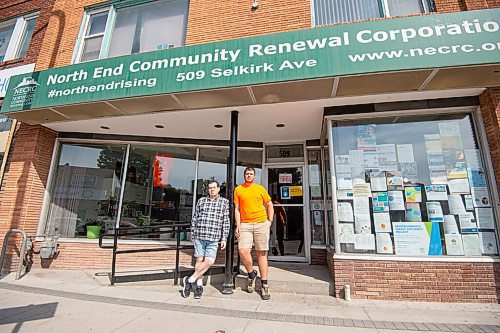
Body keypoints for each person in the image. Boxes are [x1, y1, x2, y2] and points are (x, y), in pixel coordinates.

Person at [182, 180, 229, 299]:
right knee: (199, 260)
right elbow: (195, 218)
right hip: (200, 235)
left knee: (209, 261)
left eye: (214, 187)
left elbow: (226, 221)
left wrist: (224, 238)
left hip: (214, 237)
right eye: (209, 188)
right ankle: (198, 286)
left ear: (218, 189)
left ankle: (190, 280)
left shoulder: (224, 202)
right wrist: (193, 234)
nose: (212, 190)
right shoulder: (201, 201)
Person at [234, 166, 274, 300]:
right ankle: (251, 274)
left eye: (251, 174)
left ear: (254, 176)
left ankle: (264, 284)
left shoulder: (260, 189)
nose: (249, 176)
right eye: (247, 174)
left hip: (261, 223)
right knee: (243, 250)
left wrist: (270, 221)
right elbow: (237, 209)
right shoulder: (238, 189)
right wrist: (238, 226)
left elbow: (269, 204)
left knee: (261, 253)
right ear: (244, 176)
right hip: (245, 224)